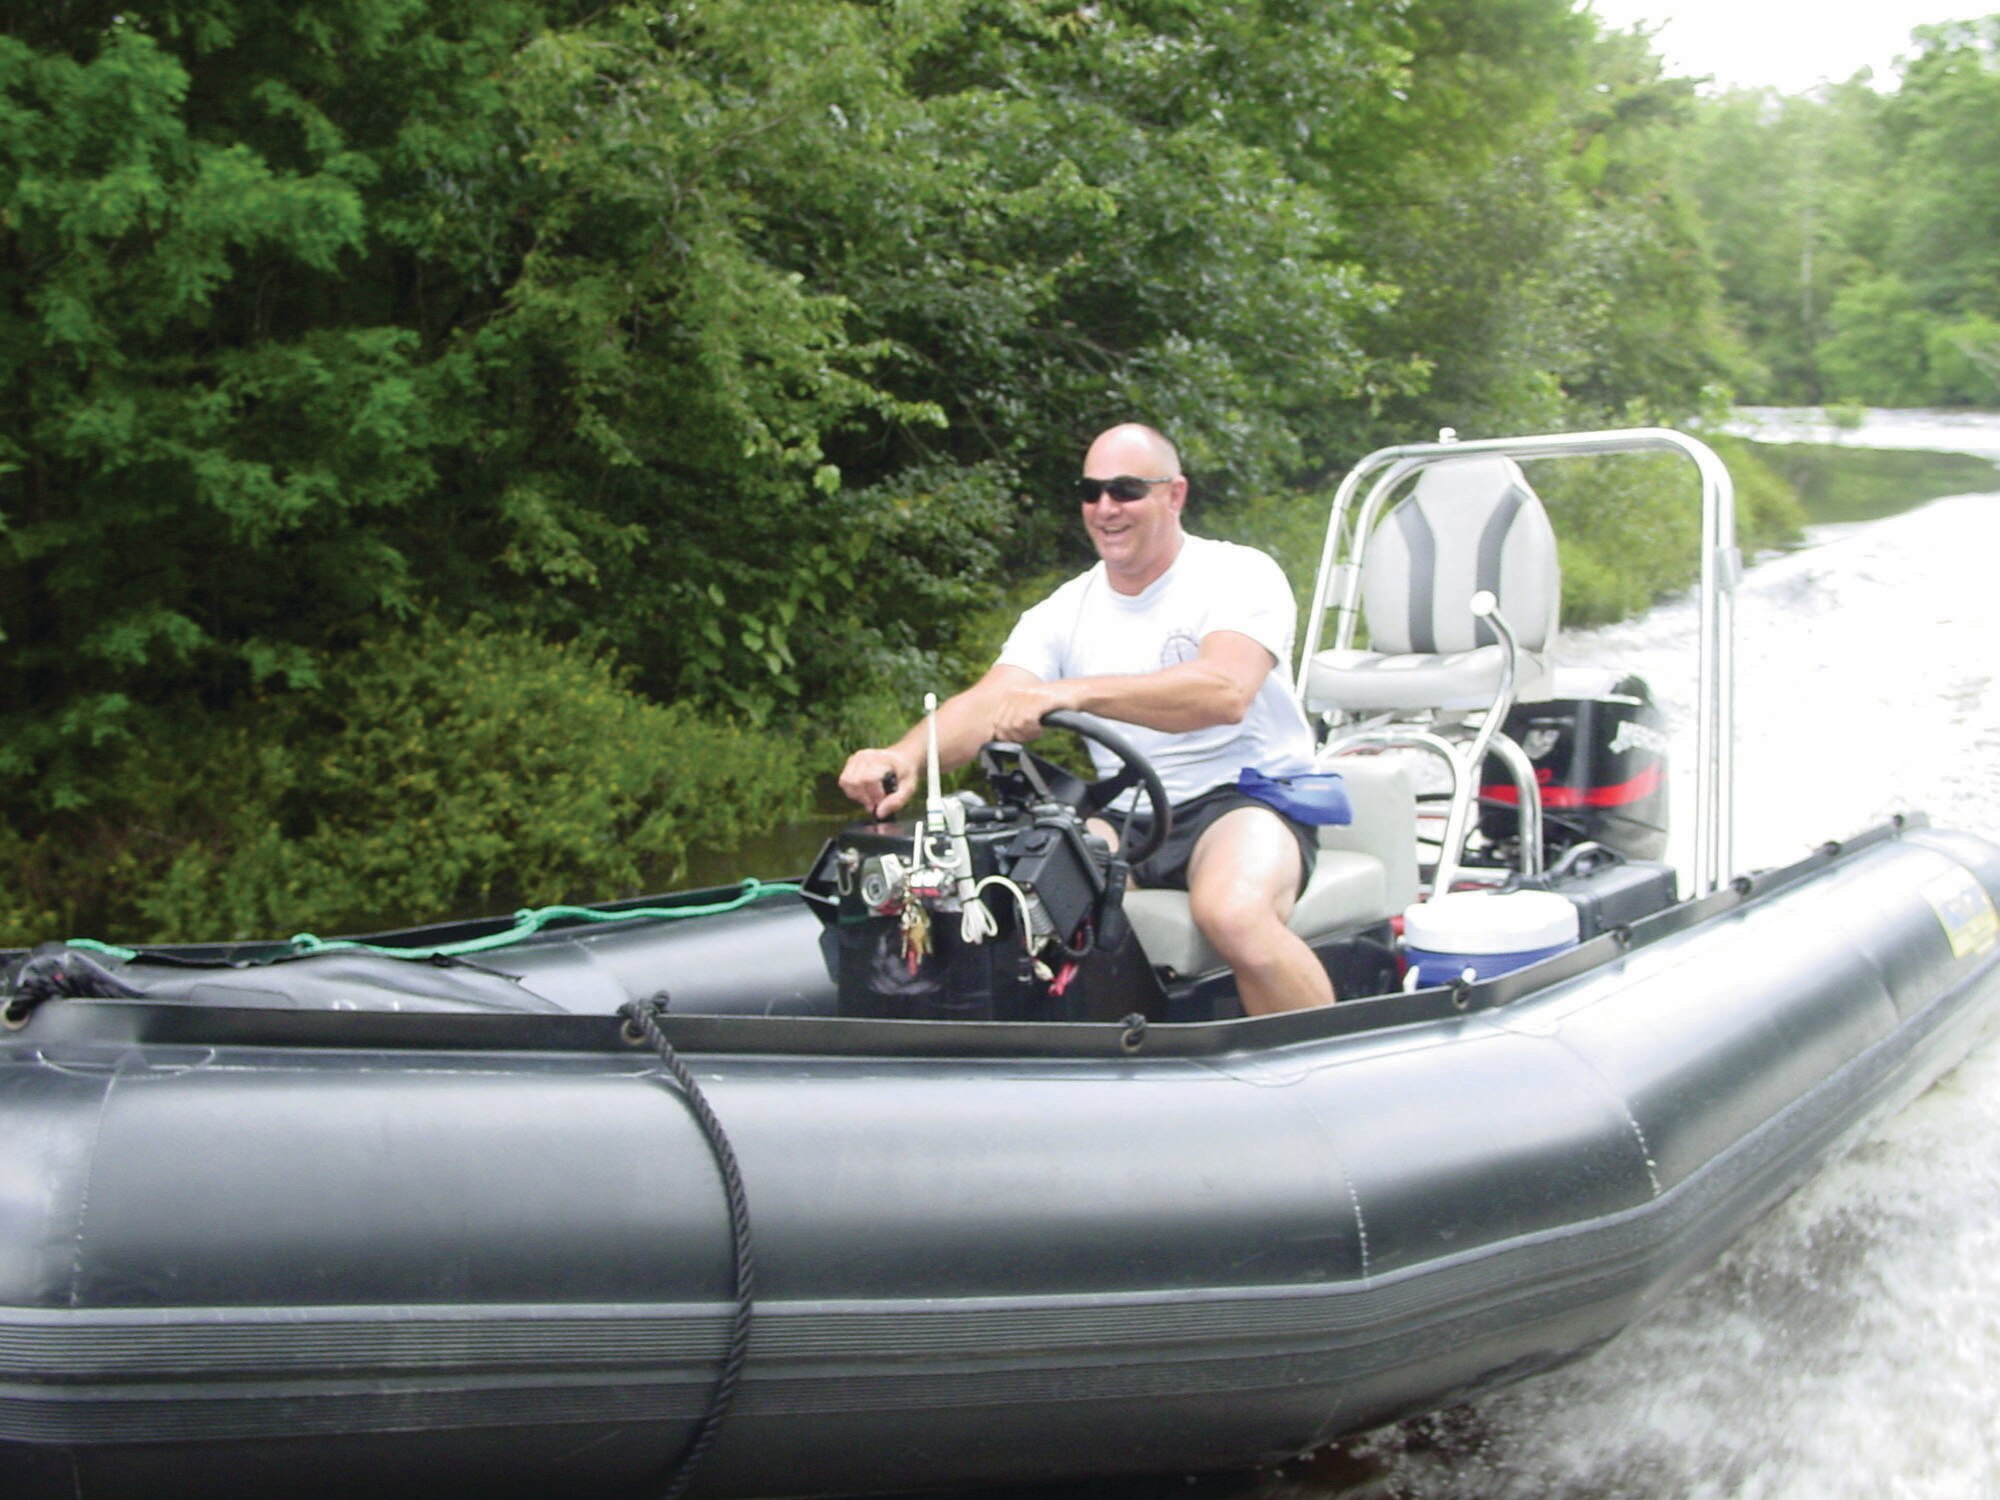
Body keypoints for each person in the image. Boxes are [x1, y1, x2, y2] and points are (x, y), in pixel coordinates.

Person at [837, 423, 1335, 1013]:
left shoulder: (1238, 575)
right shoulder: (1064, 610)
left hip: (1244, 801)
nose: (1105, 508)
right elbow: (987, 702)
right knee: (1014, 892)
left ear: (1174, 495)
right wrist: (904, 756)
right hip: (1126, 818)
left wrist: (1074, 693)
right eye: (1090, 491)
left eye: (1125, 490)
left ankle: (1321, 1073)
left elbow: (1224, 691)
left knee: (1232, 913)